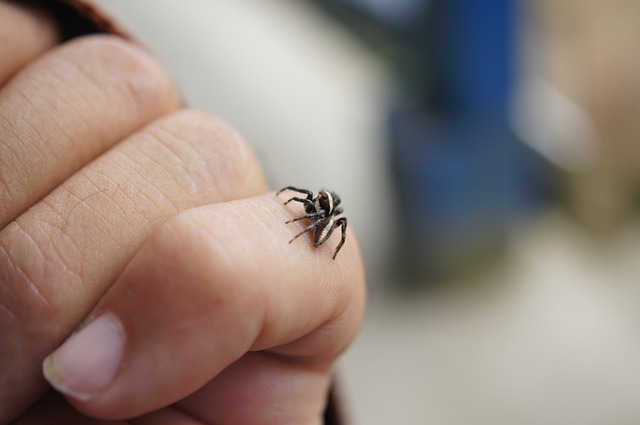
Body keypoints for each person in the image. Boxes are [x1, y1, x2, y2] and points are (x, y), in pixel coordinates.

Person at [0, 1, 366, 423]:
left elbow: (330, 231)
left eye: (318, 206)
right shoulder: (311, 206)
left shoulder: (327, 221)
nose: (314, 207)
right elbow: (301, 201)